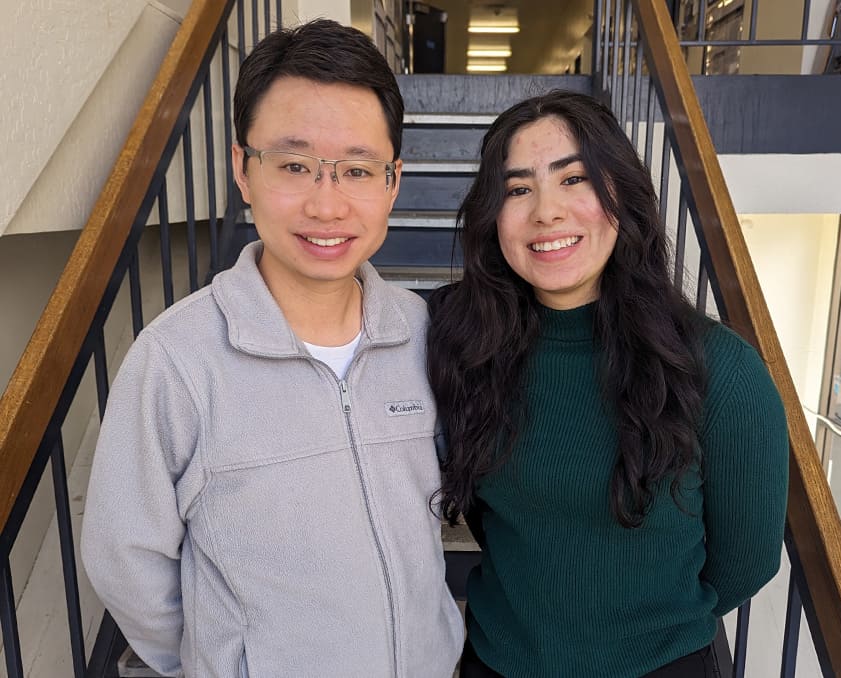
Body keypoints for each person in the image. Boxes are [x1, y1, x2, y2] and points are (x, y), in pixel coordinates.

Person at [82, 19, 463, 678]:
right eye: (293, 165)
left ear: (392, 182)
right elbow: (127, 559)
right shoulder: (175, 361)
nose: (327, 203)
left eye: (356, 169)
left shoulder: (421, 333)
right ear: (243, 170)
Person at [426, 90, 789, 678]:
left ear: (621, 193)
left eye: (574, 180)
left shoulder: (720, 369)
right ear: (494, 219)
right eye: (519, 189)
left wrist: (635, 637)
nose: (546, 212)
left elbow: (745, 561)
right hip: (496, 664)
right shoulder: (465, 350)